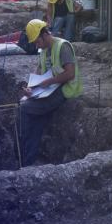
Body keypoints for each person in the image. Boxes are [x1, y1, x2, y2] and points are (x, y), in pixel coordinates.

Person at [18, 19, 83, 166]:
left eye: (37, 41)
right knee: (36, 117)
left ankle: (24, 156)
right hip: (50, 90)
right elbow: (40, 71)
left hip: (65, 90)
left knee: (25, 109)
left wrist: (49, 82)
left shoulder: (63, 46)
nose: (36, 45)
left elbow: (70, 74)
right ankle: (28, 160)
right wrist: (31, 88)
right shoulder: (44, 49)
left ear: (45, 35)